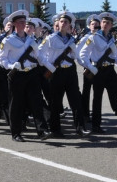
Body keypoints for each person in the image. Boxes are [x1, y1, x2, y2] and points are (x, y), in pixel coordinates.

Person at [0, 11, 51, 141]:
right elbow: (1, 59)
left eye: (24, 22)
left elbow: (39, 56)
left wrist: (50, 67)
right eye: (20, 22)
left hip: (32, 73)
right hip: (17, 75)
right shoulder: (8, 40)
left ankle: (42, 131)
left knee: (37, 102)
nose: (23, 24)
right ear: (15, 24)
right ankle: (16, 133)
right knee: (16, 104)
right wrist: (11, 66)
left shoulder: (31, 39)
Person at [78, 12, 117, 133]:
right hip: (98, 71)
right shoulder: (93, 37)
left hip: (109, 70)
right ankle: (95, 126)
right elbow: (83, 54)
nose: (105, 24)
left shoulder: (111, 38)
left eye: (108, 23)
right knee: (97, 98)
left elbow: (114, 57)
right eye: (103, 22)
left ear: (111, 25)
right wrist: (90, 66)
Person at [37, 10, 89, 138]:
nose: (63, 24)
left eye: (66, 22)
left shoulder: (72, 40)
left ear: (69, 26)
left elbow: (76, 57)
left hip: (70, 72)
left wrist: (88, 66)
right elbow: (38, 54)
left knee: (75, 101)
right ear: (58, 24)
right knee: (56, 102)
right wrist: (48, 65)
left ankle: (80, 127)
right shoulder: (50, 38)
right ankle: (55, 129)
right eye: (61, 21)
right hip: (56, 72)